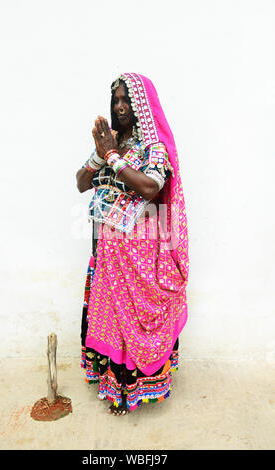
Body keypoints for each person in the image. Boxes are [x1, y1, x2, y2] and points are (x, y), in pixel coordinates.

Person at [76, 73, 189, 415]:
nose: (120, 107)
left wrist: (112, 157)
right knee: (111, 317)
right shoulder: (112, 143)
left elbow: (150, 187)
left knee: (135, 320)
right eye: (115, 101)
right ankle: (113, 385)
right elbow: (81, 183)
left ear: (141, 104)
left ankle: (134, 392)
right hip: (108, 250)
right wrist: (101, 155)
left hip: (140, 252)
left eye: (127, 100)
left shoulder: (153, 147)